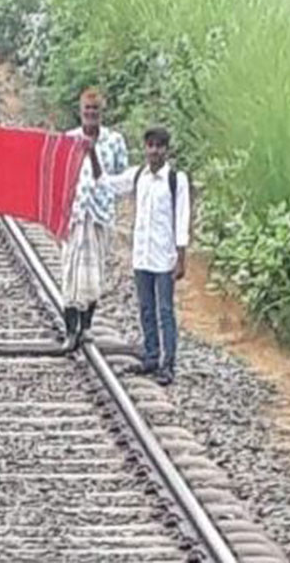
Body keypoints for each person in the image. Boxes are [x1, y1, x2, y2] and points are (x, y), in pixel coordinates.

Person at [96, 126, 191, 386]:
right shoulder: (139, 176)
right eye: (150, 146)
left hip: (164, 256)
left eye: (159, 146)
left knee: (165, 310)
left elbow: (182, 218)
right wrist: (90, 155)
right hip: (142, 256)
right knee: (146, 309)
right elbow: (108, 184)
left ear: (166, 150)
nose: (154, 151)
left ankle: (168, 363)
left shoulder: (176, 180)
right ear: (145, 148)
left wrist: (181, 257)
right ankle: (151, 356)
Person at [61, 88, 129, 351]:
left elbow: (120, 178)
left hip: (100, 215)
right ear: (81, 112)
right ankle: (70, 330)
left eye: (95, 111)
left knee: (94, 272)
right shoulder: (69, 140)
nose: (91, 115)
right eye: (87, 110)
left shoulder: (114, 141)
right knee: (70, 271)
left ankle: (86, 326)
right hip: (75, 216)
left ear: (102, 113)